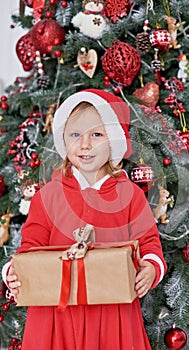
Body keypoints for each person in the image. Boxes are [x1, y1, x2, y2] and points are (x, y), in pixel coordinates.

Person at [4, 89, 167, 350]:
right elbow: (29, 247)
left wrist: (150, 268)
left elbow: (149, 243)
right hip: (55, 311)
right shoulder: (48, 196)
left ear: (113, 140)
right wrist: (14, 272)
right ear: (64, 141)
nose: (85, 145)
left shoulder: (129, 194)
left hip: (113, 311)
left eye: (97, 135)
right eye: (75, 135)